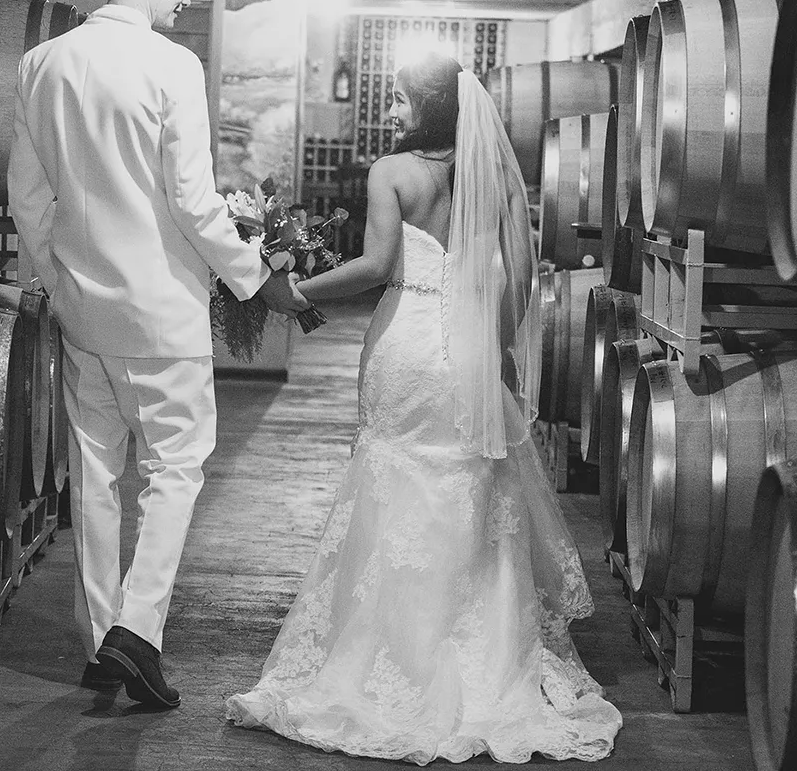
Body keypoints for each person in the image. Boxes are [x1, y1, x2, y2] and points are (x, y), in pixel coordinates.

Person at [225, 52, 622, 763]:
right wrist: (496, 349)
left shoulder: (391, 172)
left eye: (401, 100)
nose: (390, 112)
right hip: (468, 348)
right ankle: (477, 649)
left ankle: (394, 649)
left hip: (406, 345)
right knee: (471, 487)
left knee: (394, 481)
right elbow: (520, 278)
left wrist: (292, 293)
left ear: (430, 107)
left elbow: (377, 267)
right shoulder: (493, 172)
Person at [8, 0, 307, 710]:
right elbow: (194, 202)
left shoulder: (42, 64)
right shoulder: (172, 65)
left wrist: (61, 285)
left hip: (84, 311)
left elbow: (28, 199)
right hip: (162, 313)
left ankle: (99, 641)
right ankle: (136, 633)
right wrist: (257, 279)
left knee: (95, 476)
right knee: (176, 469)